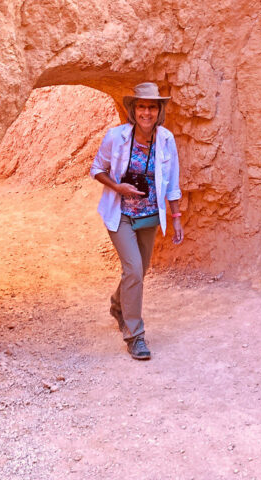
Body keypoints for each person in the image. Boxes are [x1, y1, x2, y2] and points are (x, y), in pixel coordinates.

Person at [90, 82, 184, 360]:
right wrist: (118, 187)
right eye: (142, 106)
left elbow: (173, 182)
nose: (147, 112)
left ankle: (118, 304)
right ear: (133, 109)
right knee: (133, 270)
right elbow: (97, 168)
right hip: (120, 215)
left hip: (150, 216)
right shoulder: (116, 137)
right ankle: (135, 335)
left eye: (152, 107)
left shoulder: (166, 139)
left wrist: (176, 217)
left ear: (159, 110)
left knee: (139, 272)